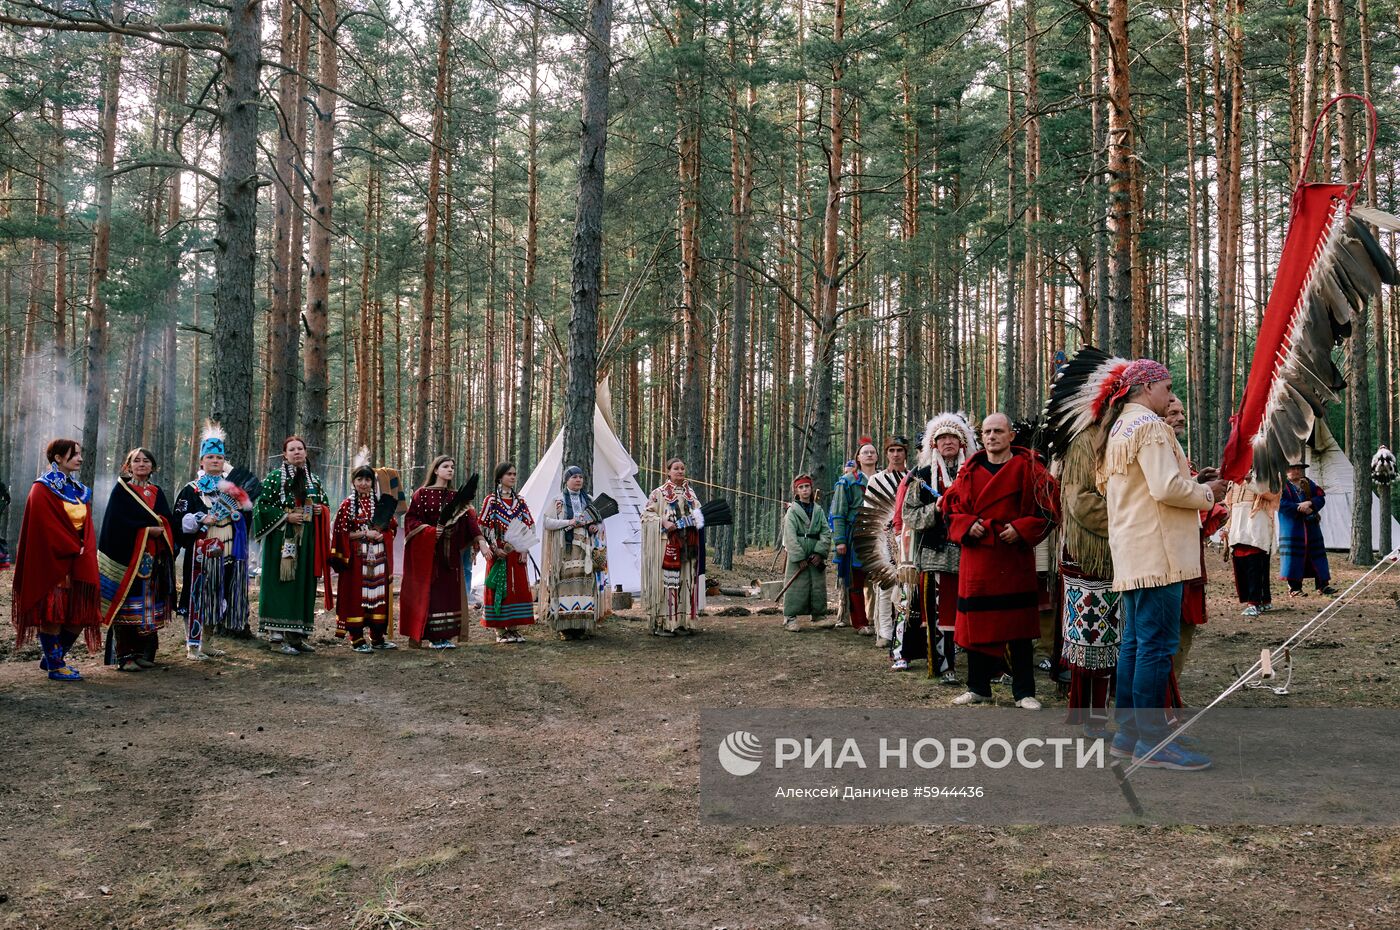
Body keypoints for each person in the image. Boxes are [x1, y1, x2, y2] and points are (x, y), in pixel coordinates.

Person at [1099, 360, 1226, 770]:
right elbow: (1165, 487)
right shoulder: (1152, 427)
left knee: (1135, 645)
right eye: (1167, 387)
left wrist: (1193, 483)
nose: (1171, 396)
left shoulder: (1118, 429)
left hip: (1133, 552)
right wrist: (1207, 492)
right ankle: (1153, 743)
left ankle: (1129, 734)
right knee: (1155, 648)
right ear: (1147, 386)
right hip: (1160, 554)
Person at [941, 413, 1059, 710]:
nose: (991, 436)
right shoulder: (969, 470)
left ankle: (1024, 692)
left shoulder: (1030, 468)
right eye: (987, 432)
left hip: (1013, 557)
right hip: (978, 558)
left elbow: (1049, 511)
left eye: (998, 431)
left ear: (1011, 436)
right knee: (978, 623)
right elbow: (949, 510)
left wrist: (1021, 529)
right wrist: (968, 524)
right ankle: (978, 687)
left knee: (1017, 627)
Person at [10, 439, 101, 681]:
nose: (79, 459)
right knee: (53, 613)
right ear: (58, 458)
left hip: (78, 558)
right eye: (74, 455)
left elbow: (85, 524)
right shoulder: (42, 488)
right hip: (52, 559)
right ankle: (56, 665)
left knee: (82, 615)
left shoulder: (77, 488)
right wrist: (72, 544)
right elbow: (44, 528)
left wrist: (86, 546)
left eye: (80, 454)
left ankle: (52, 657)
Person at [896, 413, 975, 682]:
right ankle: (944, 667)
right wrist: (935, 508)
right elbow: (909, 514)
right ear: (934, 444)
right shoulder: (921, 476)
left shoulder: (975, 472)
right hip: (935, 554)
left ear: (962, 442)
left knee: (973, 611)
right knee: (939, 616)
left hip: (971, 553)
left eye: (953, 437)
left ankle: (987, 668)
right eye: (942, 438)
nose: (948, 442)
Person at [173, 425, 253, 659]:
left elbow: (247, 518)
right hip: (201, 553)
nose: (215, 461)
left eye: (219, 457)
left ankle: (206, 642)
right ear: (201, 462)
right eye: (210, 457)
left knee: (218, 597)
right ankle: (192, 645)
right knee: (196, 595)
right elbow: (178, 520)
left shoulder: (233, 490)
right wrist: (201, 518)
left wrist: (238, 515)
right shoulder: (192, 490)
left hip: (227, 551)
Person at [1163, 396, 1227, 680]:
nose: (1180, 418)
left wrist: (1198, 481)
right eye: (1172, 412)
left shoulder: (1177, 451)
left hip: (1188, 553)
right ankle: (1160, 694)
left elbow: (1182, 488)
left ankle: (1172, 687)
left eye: (1181, 412)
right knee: (1165, 623)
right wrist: (1203, 491)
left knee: (1186, 622)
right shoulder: (1156, 446)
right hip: (1167, 554)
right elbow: (1168, 493)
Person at [253, 436, 334, 654]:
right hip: (282, 540)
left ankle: (296, 636)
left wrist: (320, 510)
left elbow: (324, 503)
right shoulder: (274, 478)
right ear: (285, 454)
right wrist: (285, 517)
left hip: (307, 542)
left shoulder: (313, 480)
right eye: (292, 449)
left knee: (303, 584)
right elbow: (261, 507)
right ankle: (276, 637)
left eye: (300, 448)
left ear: (306, 453)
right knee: (282, 583)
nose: (297, 452)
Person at [98, 448, 177, 671]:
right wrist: (144, 531)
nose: (141, 464)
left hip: (153, 560)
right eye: (136, 461)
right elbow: (115, 525)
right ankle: (125, 656)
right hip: (128, 559)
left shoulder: (156, 492)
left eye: (146, 461)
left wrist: (161, 528)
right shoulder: (122, 491)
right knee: (128, 606)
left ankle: (144, 653)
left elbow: (166, 520)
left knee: (148, 606)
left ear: (153, 466)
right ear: (128, 466)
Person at [401, 455, 488, 648]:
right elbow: (411, 521)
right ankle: (433, 636)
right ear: (435, 470)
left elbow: (469, 520)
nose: (450, 470)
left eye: (452, 466)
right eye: (446, 466)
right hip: (429, 554)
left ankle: (446, 635)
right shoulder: (421, 494)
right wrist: (431, 531)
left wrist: (480, 539)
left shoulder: (455, 496)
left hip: (450, 555)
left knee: (449, 594)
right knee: (432, 594)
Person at [332, 464, 398, 653]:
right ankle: (357, 639)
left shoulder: (380, 504)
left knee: (378, 597)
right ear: (353, 481)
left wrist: (381, 535)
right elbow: (340, 534)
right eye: (359, 479)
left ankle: (377, 638)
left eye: (367, 479)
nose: (363, 483)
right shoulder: (346, 505)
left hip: (378, 560)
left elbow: (391, 528)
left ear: (372, 482)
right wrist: (365, 534)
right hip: (356, 561)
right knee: (357, 597)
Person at [539, 465, 609, 640]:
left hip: (586, 551)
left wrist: (594, 526)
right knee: (565, 586)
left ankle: (583, 626)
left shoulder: (590, 500)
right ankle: (565, 627)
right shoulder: (558, 501)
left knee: (585, 586)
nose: (578, 480)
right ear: (566, 480)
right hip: (566, 551)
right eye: (574, 477)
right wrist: (569, 521)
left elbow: (600, 523)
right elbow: (547, 522)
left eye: (581, 477)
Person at [641, 457, 705, 637]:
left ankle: (682, 622)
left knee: (686, 580)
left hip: (687, 545)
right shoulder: (659, 493)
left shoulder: (690, 495)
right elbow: (646, 515)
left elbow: (700, 516)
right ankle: (662, 623)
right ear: (668, 471)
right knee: (667, 583)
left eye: (683, 468)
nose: (680, 471)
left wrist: (694, 520)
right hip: (666, 544)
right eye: (676, 468)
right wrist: (663, 521)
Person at [480, 462, 538, 642]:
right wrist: (494, 548)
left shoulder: (520, 502)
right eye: (508, 474)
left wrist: (524, 549)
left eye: (514, 474)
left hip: (516, 551)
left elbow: (530, 525)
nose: (512, 477)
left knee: (517, 587)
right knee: (499, 586)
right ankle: (499, 630)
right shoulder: (491, 500)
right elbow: (482, 525)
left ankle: (513, 628)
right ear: (499, 477)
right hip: (499, 552)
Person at [830, 442, 877, 633]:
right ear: (858, 457)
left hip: (879, 535)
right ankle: (860, 622)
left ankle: (882, 620)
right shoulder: (847, 481)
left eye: (872, 452)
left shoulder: (882, 478)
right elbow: (838, 512)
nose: (869, 455)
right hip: (855, 535)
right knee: (855, 580)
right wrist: (840, 540)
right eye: (865, 452)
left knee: (882, 580)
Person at [869, 436, 910, 648]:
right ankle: (884, 631)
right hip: (883, 538)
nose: (895, 454)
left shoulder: (914, 476)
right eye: (892, 450)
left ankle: (905, 630)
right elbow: (869, 510)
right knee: (885, 584)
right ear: (886, 454)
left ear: (905, 453)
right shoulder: (876, 480)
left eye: (899, 450)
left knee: (908, 584)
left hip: (907, 535)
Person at [781, 474, 831, 631]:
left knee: (817, 584)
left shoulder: (818, 510)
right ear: (796, 491)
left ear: (811, 488)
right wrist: (799, 557)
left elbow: (825, 531)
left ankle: (819, 615)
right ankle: (790, 617)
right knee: (795, 585)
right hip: (799, 551)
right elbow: (789, 535)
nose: (804, 490)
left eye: (807, 486)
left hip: (815, 551)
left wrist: (819, 552)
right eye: (801, 487)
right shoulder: (792, 512)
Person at [1279, 462, 1335, 597]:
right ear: (1286, 470)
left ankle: (1323, 585)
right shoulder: (1282, 486)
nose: (1296, 471)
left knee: (1317, 555)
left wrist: (1310, 503)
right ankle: (1294, 588)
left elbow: (1320, 497)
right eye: (1292, 468)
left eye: (1298, 469)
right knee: (1294, 557)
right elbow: (1279, 503)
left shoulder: (1308, 484)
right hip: (1292, 527)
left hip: (1311, 526)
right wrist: (1298, 507)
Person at [1225, 478, 1276, 617]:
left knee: (1256, 564)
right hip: (1238, 527)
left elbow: (1272, 495)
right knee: (1242, 563)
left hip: (1257, 524)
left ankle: (1255, 603)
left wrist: (1249, 480)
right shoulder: (1233, 481)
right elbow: (1231, 506)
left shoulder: (1265, 474)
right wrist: (1227, 527)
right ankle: (1261, 600)